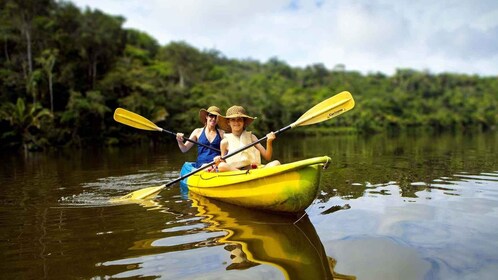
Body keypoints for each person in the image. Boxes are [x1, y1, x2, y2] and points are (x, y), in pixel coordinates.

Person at [213, 105, 280, 172]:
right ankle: (243, 175)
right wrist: (218, 160)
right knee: (222, 166)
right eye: (233, 120)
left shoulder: (252, 137)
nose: (236, 122)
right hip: (236, 173)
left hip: (254, 170)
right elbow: (223, 162)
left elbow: (267, 157)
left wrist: (269, 142)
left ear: (244, 122)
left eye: (239, 119)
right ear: (228, 122)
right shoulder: (224, 142)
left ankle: (249, 176)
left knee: (276, 163)